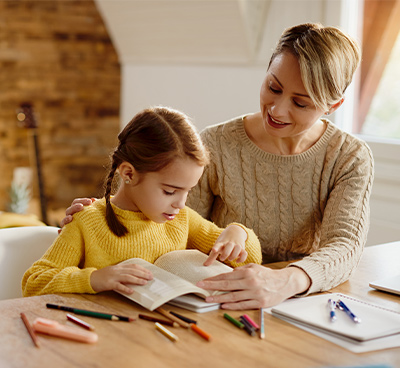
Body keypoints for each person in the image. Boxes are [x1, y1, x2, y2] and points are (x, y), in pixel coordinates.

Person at [61, 23, 374, 310]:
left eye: (301, 103)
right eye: (273, 88)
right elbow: (166, 224)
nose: (277, 110)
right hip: (219, 304)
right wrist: (102, 216)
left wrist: (286, 281)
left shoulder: (349, 156)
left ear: (333, 106)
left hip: (306, 302)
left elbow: (344, 246)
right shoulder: (216, 143)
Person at [22, 107, 262, 297]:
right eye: (170, 191)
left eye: (188, 191)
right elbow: (34, 282)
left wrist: (237, 233)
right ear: (128, 174)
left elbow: (252, 259)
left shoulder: (182, 219)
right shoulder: (87, 221)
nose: (181, 203)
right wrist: (95, 278)